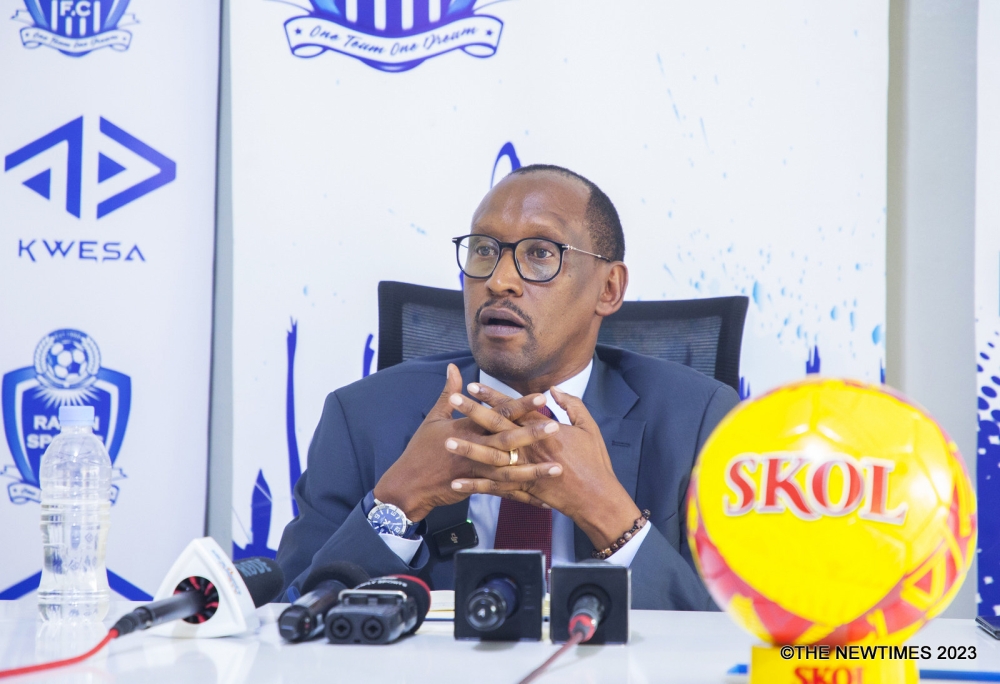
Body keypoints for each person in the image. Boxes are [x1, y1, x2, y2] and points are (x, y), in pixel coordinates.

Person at [276, 164, 740, 610]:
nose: (498, 281)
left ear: (609, 289)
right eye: (483, 249)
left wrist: (608, 512)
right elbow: (288, 619)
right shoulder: (361, 417)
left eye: (540, 253)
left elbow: (737, 640)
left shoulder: (700, 424)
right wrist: (399, 500)